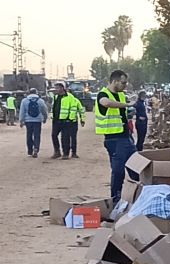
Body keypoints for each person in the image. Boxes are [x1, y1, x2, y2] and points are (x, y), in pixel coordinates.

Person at [94, 70, 135, 202]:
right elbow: (106, 103)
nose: (125, 85)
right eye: (123, 82)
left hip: (125, 137)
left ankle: (138, 194)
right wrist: (127, 105)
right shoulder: (103, 94)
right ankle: (115, 199)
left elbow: (121, 113)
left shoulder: (121, 95)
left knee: (136, 167)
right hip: (114, 139)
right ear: (114, 81)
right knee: (118, 172)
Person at [55, 84, 84, 158]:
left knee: (72, 138)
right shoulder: (57, 98)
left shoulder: (74, 100)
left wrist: (82, 119)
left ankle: (73, 152)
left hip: (72, 121)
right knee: (65, 137)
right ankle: (67, 153)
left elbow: (81, 110)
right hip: (65, 121)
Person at [17, 88, 47, 158]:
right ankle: (36, 148)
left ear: (29, 93)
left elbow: (22, 111)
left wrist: (21, 121)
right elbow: (44, 110)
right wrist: (45, 118)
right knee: (37, 135)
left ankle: (30, 151)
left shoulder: (24, 101)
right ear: (36, 92)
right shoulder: (40, 101)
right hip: (38, 121)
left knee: (29, 135)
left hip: (28, 121)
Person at [48, 84, 67, 158]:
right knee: (54, 135)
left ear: (62, 88)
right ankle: (57, 151)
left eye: (57, 88)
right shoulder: (55, 97)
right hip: (56, 120)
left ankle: (65, 153)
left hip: (65, 120)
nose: (56, 89)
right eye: (55, 88)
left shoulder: (68, 97)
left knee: (64, 137)